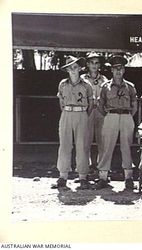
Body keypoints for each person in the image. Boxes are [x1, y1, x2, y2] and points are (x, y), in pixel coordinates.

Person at [95, 55, 138, 190]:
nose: (118, 71)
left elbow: (134, 105)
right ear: (111, 70)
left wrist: (128, 116)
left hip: (126, 116)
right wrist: (108, 115)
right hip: (111, 116)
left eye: (121, 68)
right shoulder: (105, 86)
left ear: (124, 70)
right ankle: (103, 177)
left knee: (126, 146)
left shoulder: (130, 87)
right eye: (115, 69)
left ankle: (128, 178)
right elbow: (100, 105)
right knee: (107, 146)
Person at [52, 55, 93, 189]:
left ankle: (83, 177)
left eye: (75, 67)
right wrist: (68, 111)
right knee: (64, 145)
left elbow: (91, 103)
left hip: (81, 114)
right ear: (67, 70)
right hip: (67, 114)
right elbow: (61, 102)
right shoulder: (62, 84)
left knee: (82, 145)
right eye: (70, 68)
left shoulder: (86, 85)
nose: (73, 70)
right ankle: (63, 176)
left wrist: (83, 114)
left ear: (80, 68)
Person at [81, 51, 109, 169]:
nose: (94, 65)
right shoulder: (82, 78)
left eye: (96, 63)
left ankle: (101, 169)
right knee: (84, 142)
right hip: (87, 112)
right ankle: (83, 169)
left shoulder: (104, 79)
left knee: (102, 142)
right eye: (91, 62)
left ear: (99, 65)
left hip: (100, 112)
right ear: (87, 64)